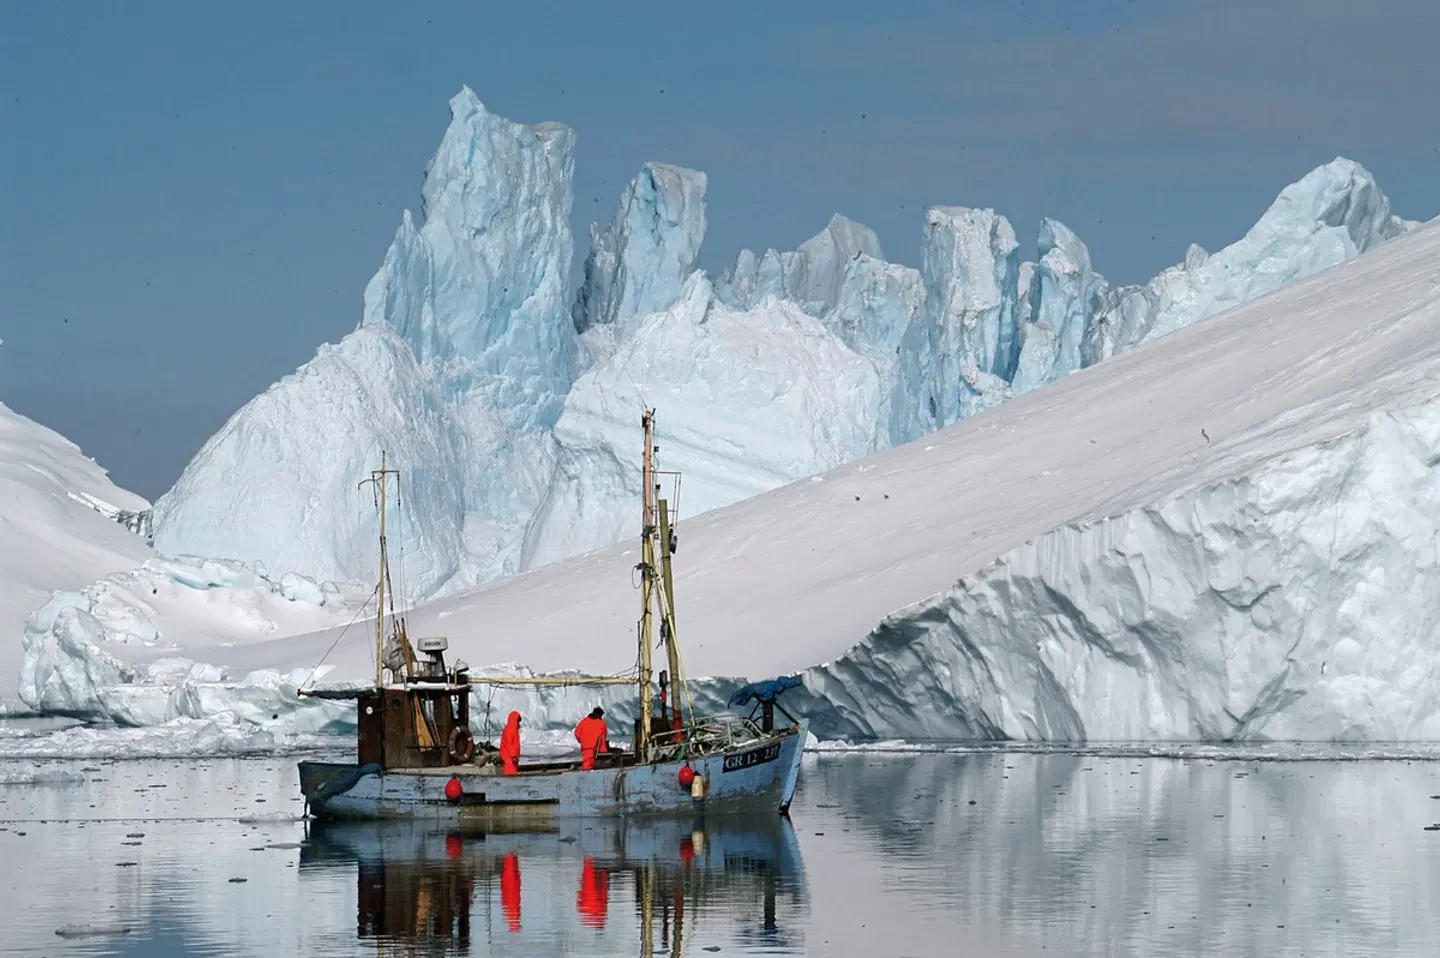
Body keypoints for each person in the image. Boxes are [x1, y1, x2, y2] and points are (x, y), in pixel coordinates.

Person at [499, 711, 522, 776]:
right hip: (509, 756)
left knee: (512, 772)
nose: (518, 723)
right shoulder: (510, 729)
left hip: (511, 756)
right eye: (518, 721)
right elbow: (509, 744)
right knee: (510, 773)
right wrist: (513, 755)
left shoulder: (513, 729)